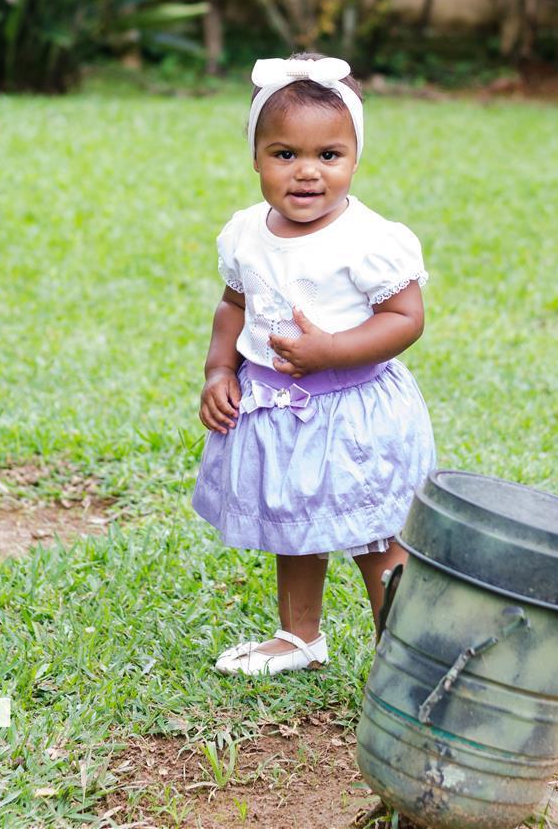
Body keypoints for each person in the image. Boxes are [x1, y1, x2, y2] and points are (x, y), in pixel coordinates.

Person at [191, 53, 436, 676]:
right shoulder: (247, 232)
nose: (307, 173)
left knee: (376, 538)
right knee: (294, 528)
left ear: (355, 157)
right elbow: (232, 306)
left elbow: (405, 318)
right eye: (284, 154)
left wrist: (330, 349)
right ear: (255, 156)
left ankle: (403, 653)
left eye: (329, 156)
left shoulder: (368, 239)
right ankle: (299, 636)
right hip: (273, 407)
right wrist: (220, 372)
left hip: (352, 412)